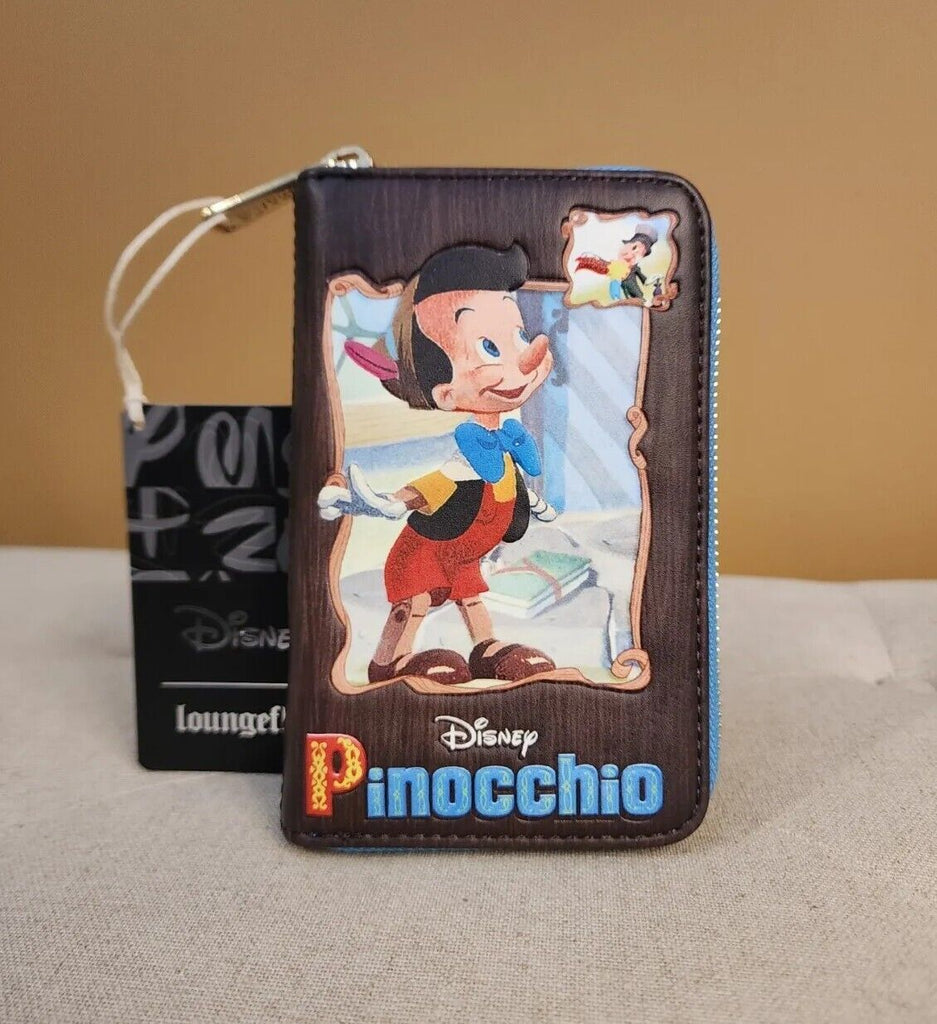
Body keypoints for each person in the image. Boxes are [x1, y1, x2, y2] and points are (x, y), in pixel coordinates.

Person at [319, 243, 558, 685]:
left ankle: (486, 648)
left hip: (464, 553)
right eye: (488, 347)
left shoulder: (503, 447)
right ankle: (389, 660)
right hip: (425, 549)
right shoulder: (461, 458)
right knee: (415, 602)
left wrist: (536, 506)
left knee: (471, 597)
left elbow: (507, 487)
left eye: (519, 338)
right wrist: (390, 501)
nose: (523, 360)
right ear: (445, 392)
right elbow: (432, 488)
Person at [574, 224, 658, 301]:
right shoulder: (618, 268)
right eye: (634, 248)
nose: (633, 255)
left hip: (636, 296)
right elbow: (615, 283)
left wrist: (654, 278)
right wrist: (616, 298)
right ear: (628, 244)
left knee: (639, 296)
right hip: (627, 294)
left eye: (641, 254)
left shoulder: (635, 268)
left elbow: (645, 280)